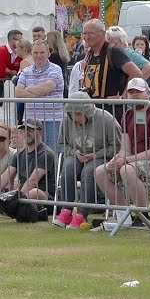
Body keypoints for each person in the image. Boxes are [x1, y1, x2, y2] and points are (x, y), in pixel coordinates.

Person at [94, 77, 150, 230]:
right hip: (133, 162)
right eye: (131, 92)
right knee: (101, 171)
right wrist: (118, 159)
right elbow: (125, 149)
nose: (134, 95)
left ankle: (143, 216)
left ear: (149, 94)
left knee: (126, 170)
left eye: (138, 92)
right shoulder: (127, 116)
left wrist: (125, 160)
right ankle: (124, 216)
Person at [51, 92, 122, 229]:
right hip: (77, 154)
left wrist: (96, 155)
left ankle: (82, 213)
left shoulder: (107, 119)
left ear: (87, 111)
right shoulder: (67, 120)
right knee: (68, 168)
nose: (75, 118)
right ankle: (66, 210)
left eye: (78, 114)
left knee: (88, 172)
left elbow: (116, 146)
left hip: (101, 156)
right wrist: (74, 152)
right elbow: (61, 144)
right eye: (72, 114)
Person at [14, 40, 65, 151]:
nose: (39, 55)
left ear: (48, 53)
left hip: (52, 120)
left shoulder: (56, 69)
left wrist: (28, 89)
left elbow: (47, 88)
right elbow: (18, 93)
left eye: (42, 52)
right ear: (32, 53)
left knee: (52, 153)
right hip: (30, 121)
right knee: (30, 152)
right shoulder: (26, 71)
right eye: (36, 52)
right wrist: (40, 92)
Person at [79, 19, 140, 102]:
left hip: (111, 108)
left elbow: (136, 73)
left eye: (91, 33)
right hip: (93, 107)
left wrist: (122, 97)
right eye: (85, 33)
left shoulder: (113, 51)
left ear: (102, 34)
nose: (87, 37)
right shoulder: (90, 54)